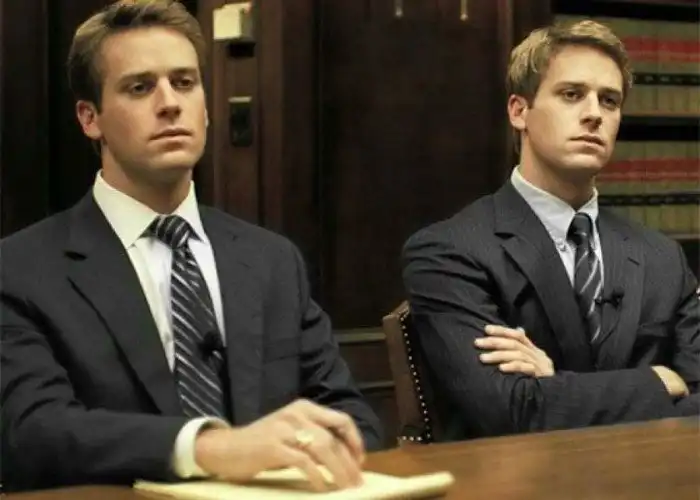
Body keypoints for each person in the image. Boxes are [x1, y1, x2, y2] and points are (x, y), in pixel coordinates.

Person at [0, 0, 381, 492]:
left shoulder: (271, 260)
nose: (169, 103)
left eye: (184, 83)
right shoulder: (20, 270)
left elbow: (350, 419)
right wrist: (209, 448)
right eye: (140, 87)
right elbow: (34, 433)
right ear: (90, 118)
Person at [402, 20, 699, 442]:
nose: (594, 114)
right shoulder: (449, 251)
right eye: (572, 94)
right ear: (519, 111)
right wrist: (660, 381)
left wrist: (554, 383)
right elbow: (511, 411)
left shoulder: (662, 257)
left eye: (610, 101)